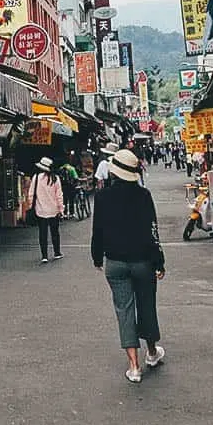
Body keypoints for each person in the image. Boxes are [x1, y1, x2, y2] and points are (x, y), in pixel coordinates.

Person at [90, 149, 166, 383]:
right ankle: (152, 352)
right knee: (146, 306)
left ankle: (133, 366)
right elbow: (152, 231)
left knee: (123, 310)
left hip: (115, 262)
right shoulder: (143, 196)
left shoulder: (102, 197)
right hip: (143, 262)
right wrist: (159, 261)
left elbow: (98, 230)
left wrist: (97, 257)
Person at [27, 157, 66, 264]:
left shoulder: (36, 178)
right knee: (55, 232)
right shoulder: (55, 178)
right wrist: (61, 209)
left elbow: (31, 194)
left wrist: (31, 206)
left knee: (42, 233)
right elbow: (59, 196)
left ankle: (44, 256)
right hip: (54, 210)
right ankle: (57, 252)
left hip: (40, 210)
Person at [59, 153, 81, 219]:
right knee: (71, 200)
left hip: (63, 186)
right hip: (71, 186)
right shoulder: (72, 168)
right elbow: (75, 177)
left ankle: (65, 214)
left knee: (64, 200)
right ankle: (71, 213)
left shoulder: (61, 168)